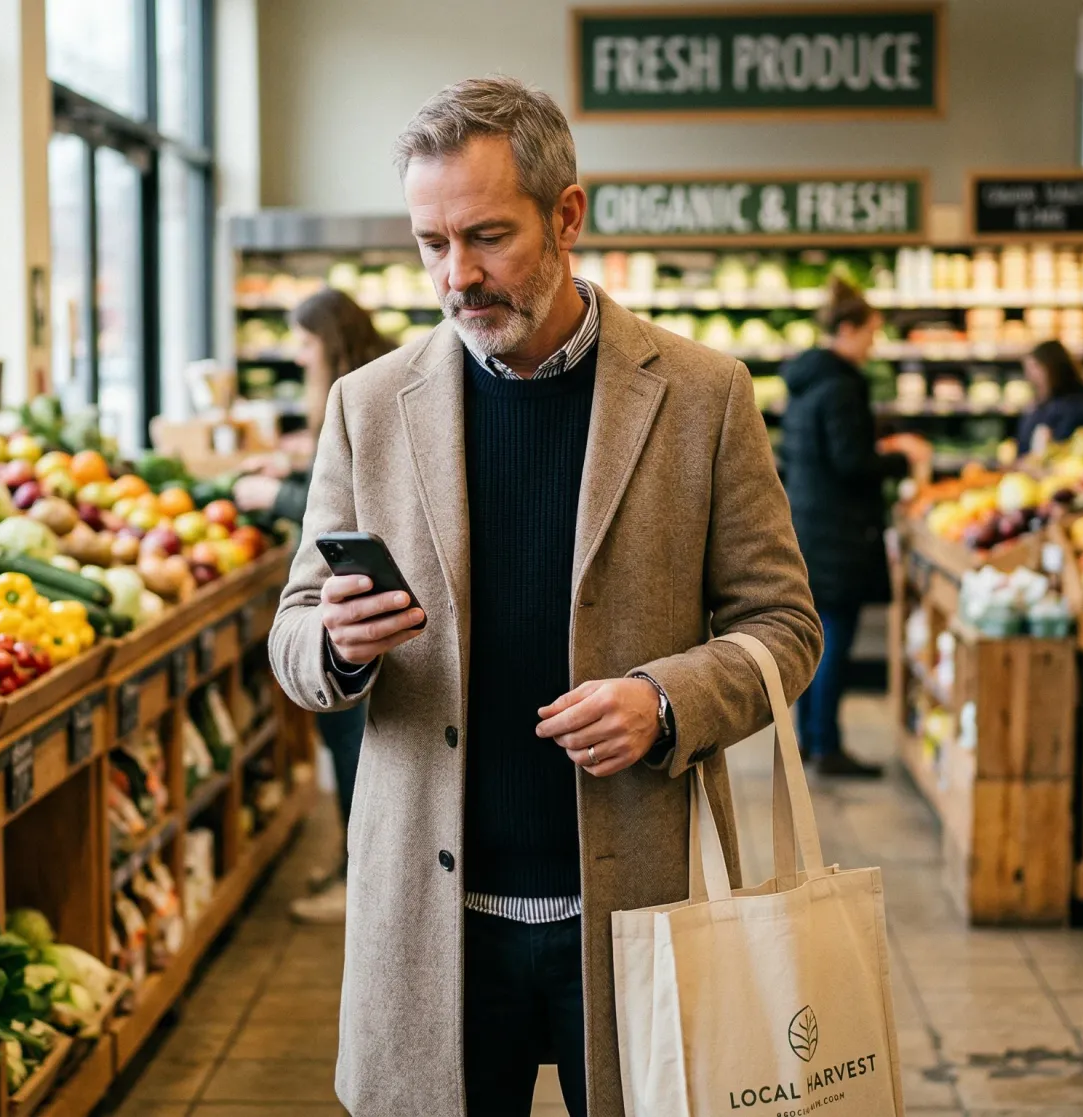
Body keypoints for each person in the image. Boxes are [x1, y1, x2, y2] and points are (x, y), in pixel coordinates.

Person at [267, 76, 821, 1117]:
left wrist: (665, 701)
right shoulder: (369, 406)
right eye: (430, 243)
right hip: (431, 929)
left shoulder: (701, 396)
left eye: (486, 236)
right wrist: (336, 645)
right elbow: (292, 635)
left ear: (567, 214)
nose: (455, 276)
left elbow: (783, 629)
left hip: (630, 911)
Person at [234, 289, 396, 925]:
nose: (297, 354)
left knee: (356, 742)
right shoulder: (361, 383)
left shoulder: (362, 388)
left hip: (362, 595)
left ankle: (363, 879)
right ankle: (358, 869)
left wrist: (274, 489)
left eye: (304, 341)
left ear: (328, 338)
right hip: (349, 602)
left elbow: (341, 499)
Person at [777, 278, 927, 777]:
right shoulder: (841, 385)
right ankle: (828, 747)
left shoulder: (806, 381)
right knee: (833, 638)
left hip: (810, 525)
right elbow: (851, 463)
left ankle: (811, 739)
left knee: (814, 639)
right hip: (839, 532)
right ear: (846, 330)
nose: (873, 345)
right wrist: (900, 459)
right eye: (870, 334)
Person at [1015, 339, 1083, 453]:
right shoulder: (1041, 404)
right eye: (1028, 369)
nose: (1030, 376)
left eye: (1035, 367)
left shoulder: (1076, 404)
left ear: (1052, 368)